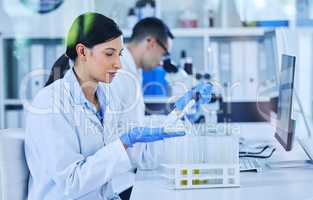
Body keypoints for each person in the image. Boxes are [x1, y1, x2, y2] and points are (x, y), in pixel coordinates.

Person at [24, 12, 186, 200]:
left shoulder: (106, 99)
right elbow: (72, 183)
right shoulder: (51, 103)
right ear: (82, 52)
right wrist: (123, 143)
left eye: (120, 55)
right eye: (109, 54)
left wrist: (178, 115)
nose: (118, 64)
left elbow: (118, 163)